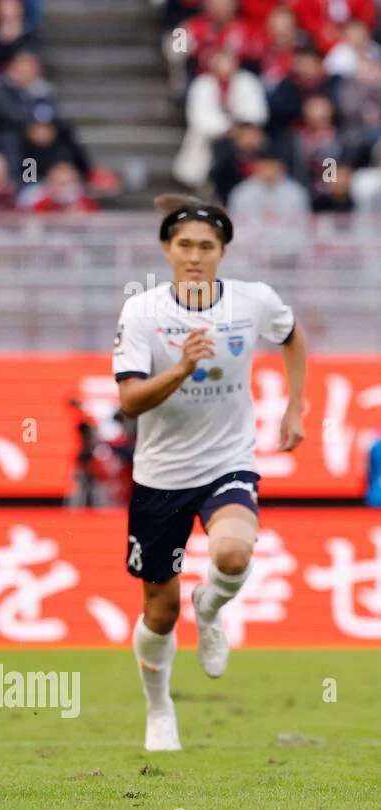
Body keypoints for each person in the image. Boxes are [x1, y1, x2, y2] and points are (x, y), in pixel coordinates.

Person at [113, 194, 308, 752]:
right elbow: (129, 401)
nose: (195, 256)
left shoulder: (253, 302)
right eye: (185, 245)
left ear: (223, 253)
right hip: (160, 475)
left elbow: (292, 336)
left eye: (207, 246)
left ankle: (213, 605)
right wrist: (182, 368)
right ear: (167, 250)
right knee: (160, 610)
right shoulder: (144, 312)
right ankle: (158, 709)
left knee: (232, 555)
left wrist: (295, 408)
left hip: (229, 462)